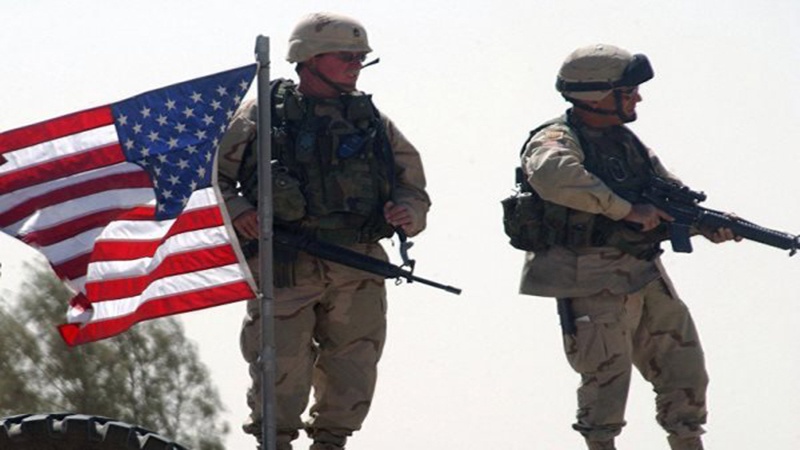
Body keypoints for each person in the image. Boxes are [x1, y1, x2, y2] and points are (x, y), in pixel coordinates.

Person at [217, 12, 431, 450]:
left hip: (357, 262)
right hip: (284, 264)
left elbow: (413, 187)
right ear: (310, 59)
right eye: (346, 57)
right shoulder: (259, 115)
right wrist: (239, 210)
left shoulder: (372, 122)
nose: (356, 66)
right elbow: (212, 177)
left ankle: (331, 443)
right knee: (278, 365)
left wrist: (408, 212)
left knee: (353, 365)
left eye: (360, 58)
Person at [516, 44, 739, 450]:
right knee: (606, 380)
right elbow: (552, 174)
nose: (638, 98)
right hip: (591, 277)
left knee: (684, 371)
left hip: (642, 270)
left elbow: (665, 197)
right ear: (597, 94)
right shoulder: (556, 139)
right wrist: (625, 210)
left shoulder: (626, 143)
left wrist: (702, 224)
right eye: (629, 90)